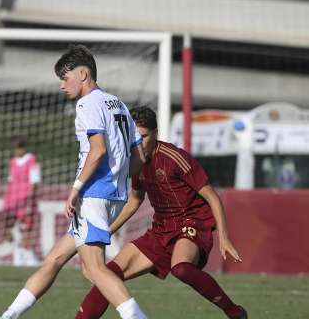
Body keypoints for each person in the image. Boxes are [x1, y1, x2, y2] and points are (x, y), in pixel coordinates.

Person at [0, 45, 147, 319]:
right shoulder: (119, 103)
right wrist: (119, 181)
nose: (61, 85)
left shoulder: (87, 103)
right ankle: (9, 315)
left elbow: (98, 149)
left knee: (94, 269)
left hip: (93, 194)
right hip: (114, 194)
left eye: (64, 77)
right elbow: (138, 156)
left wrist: (76, 189)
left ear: (83, 73)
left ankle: (137, 317)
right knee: (54, 259)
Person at [75, 106, 247, 319]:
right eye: (133, 137)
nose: (138, 143)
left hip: (192, 223)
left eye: (144, 136)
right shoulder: (134, 162)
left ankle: (234, 312)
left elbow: (212, 196)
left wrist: (224, 237)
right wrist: (106, 231)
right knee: (107, 275)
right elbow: (135, 200)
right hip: (161, 229)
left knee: (181, 268)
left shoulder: (174, 157)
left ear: (155, 133)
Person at [2, 136, 41, 266]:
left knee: (27, 228)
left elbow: (34, 180)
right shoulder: (12, 162)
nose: (17, 151)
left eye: (19, 148)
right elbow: (10, 180)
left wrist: (32, 198)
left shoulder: (31, 160)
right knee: (7, 228)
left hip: (26, 198)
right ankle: (17, 251)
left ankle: (27, 254)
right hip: (12, 198)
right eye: (15, 149)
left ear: (23, 148)